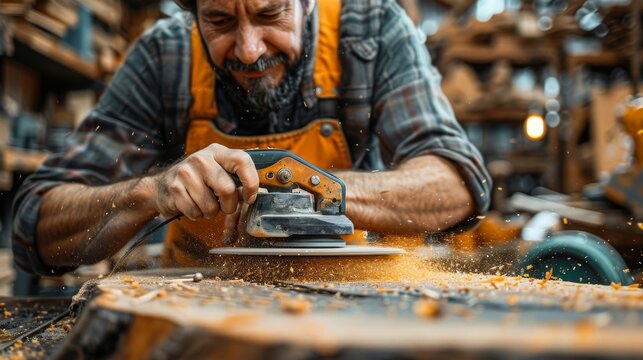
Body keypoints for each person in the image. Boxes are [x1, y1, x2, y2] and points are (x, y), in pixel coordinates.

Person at [12, 0, 491, 275]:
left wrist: (313, 186)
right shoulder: (166, 54)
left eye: (270, 14)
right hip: (196, 307)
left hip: (341, 303)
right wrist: (150, 192)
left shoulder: (373, 31)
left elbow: (458, 182)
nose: (249, 50)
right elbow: (33, 225)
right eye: (219, 21)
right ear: (194, 12)